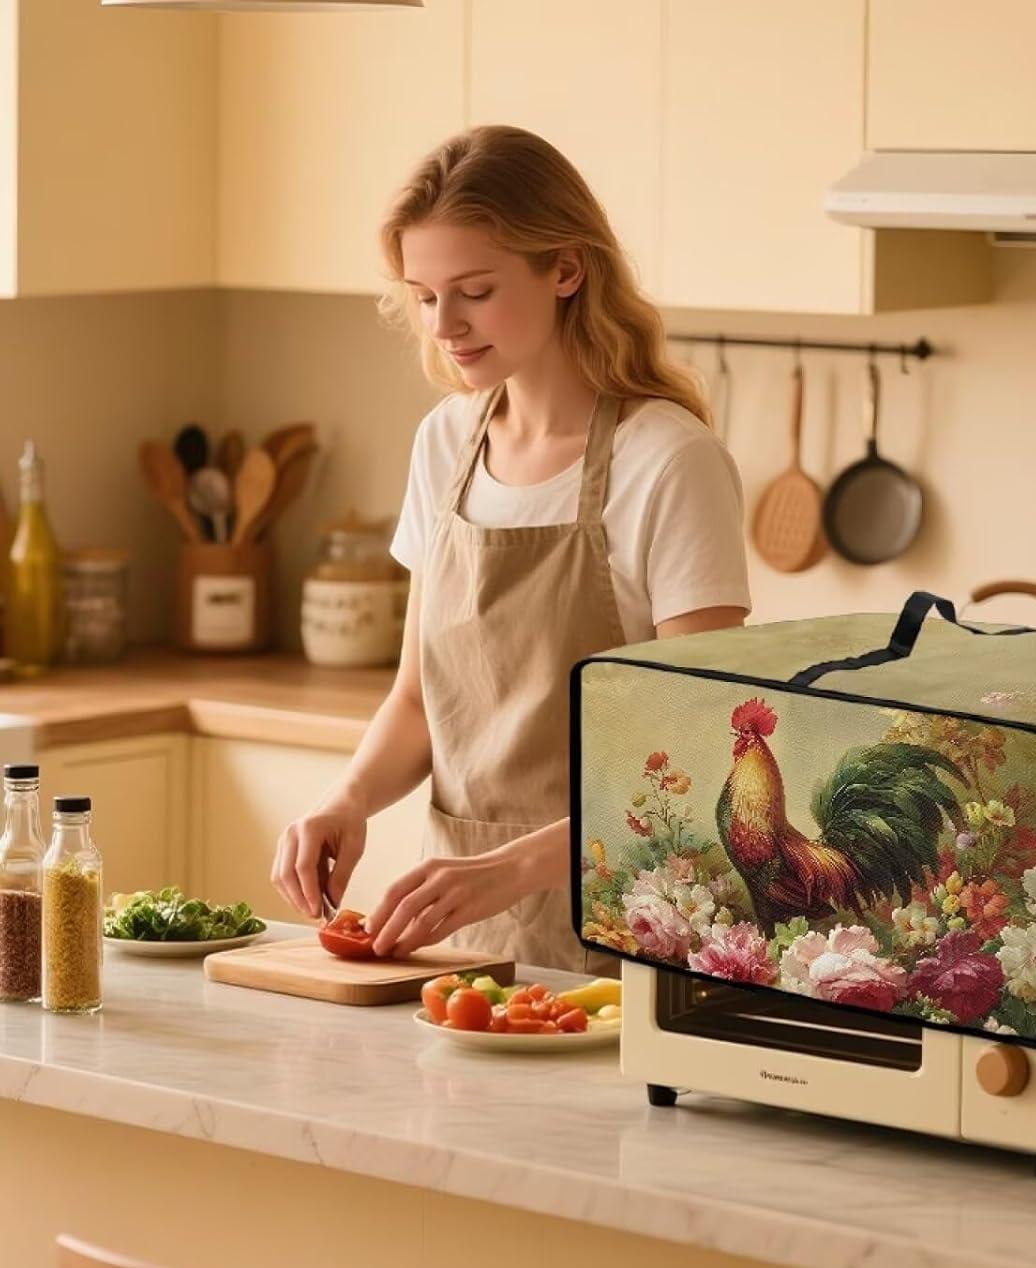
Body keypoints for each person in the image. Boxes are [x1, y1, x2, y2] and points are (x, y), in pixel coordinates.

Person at [272, 126, 750, 970]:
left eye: (476, 291)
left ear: (566, 268)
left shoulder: (669, 461)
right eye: (424, 296)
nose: (445, 325)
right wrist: (347, 799)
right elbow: (419, 705)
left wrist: (517, 868)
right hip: (468, 937)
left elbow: (702, 743)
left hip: (636, 923)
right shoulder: (445, 444)